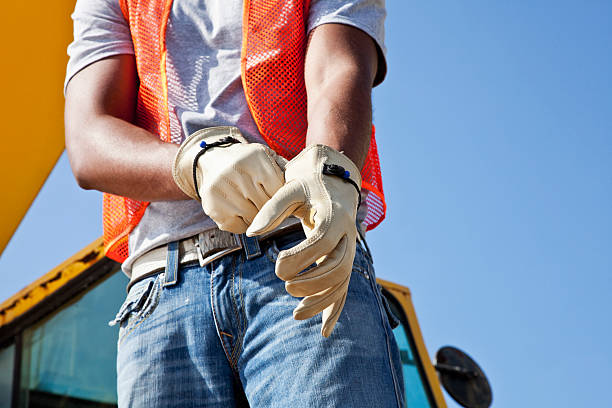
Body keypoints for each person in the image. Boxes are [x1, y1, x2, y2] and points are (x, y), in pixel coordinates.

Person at [64, 0, 404, 406]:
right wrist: (194, 161)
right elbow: (89, 141)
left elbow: (340, 67)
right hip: (161, 289)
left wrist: (329, 171)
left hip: (301, 253)